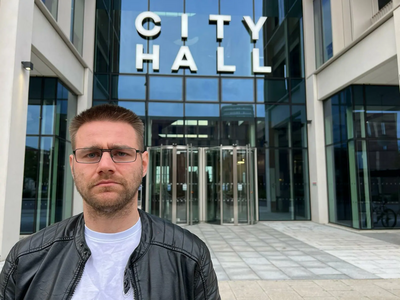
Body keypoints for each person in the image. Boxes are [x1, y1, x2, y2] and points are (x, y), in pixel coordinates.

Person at [0, 104, 220, 300]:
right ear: (73, 165)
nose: (106, 165)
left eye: (121, 153)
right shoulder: (26, 258)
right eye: (91, 154)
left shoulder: (189, 255)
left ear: (144, 164)